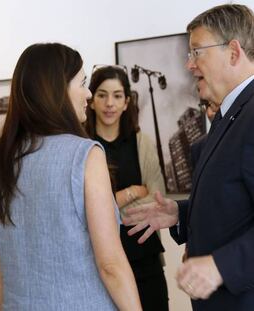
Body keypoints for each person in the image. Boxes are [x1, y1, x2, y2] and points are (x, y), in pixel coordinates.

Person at [0, 43, 142, 310]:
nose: (88, 94)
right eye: (82, 83)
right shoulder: (85, 154)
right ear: (57, 90)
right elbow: (110, 265)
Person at [123, 4, 254, 310]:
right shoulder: (230, 116)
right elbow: (234, 201)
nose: (189, 65)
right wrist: (180, 213)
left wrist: (221, 266)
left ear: (233, 52)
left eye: (197, 52)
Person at [85, 65, 168, 311]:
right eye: (102, 95)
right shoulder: (83, 147)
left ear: (126, 102)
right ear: (91, 101)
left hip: (145, 255)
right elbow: (80, 210)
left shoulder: (142, 142)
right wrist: (131, 192)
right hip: (100, 263)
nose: (109, 103)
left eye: (117, 96)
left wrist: (107, 205)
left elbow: (156, 201)